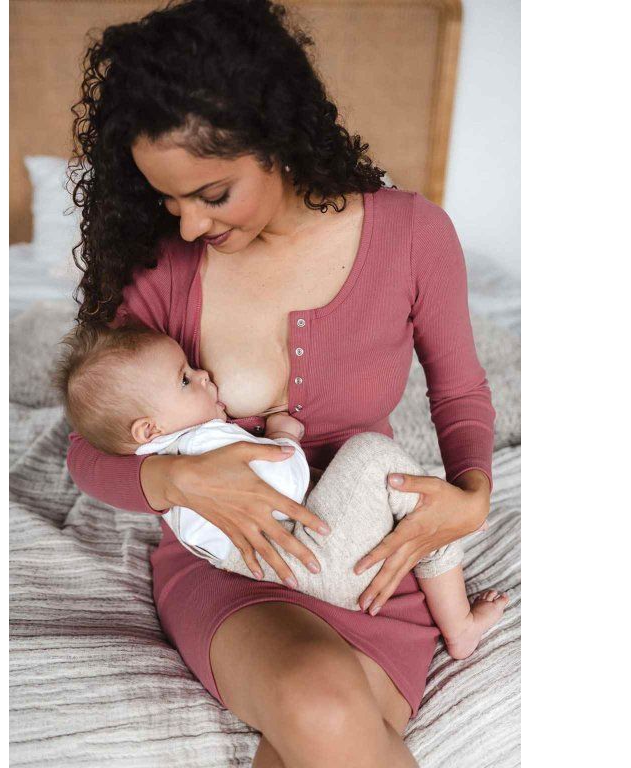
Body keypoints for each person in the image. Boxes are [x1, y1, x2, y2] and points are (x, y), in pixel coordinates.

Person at [66, 1, 496, 765]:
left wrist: (472, 496)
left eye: (212, 194)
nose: (188, 225)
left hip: (371, 556)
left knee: (323, 728)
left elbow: (459, 392)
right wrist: (177, 480)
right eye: (168, 199)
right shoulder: (164, 267)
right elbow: (88, 455)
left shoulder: (412, 235)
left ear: (277, 139)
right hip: (234, 565)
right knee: (320, 703)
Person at [54, 323, 507, 637]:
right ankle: (460, 624)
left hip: (294, 576)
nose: (204, 375)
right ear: (148, 428)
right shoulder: (203, 443)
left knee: (383, 484)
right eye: (186, 380)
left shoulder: (165, 460)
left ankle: (440, 519)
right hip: (317, 561)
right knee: (374, 457)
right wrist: (283, 436)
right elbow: (286, 488)